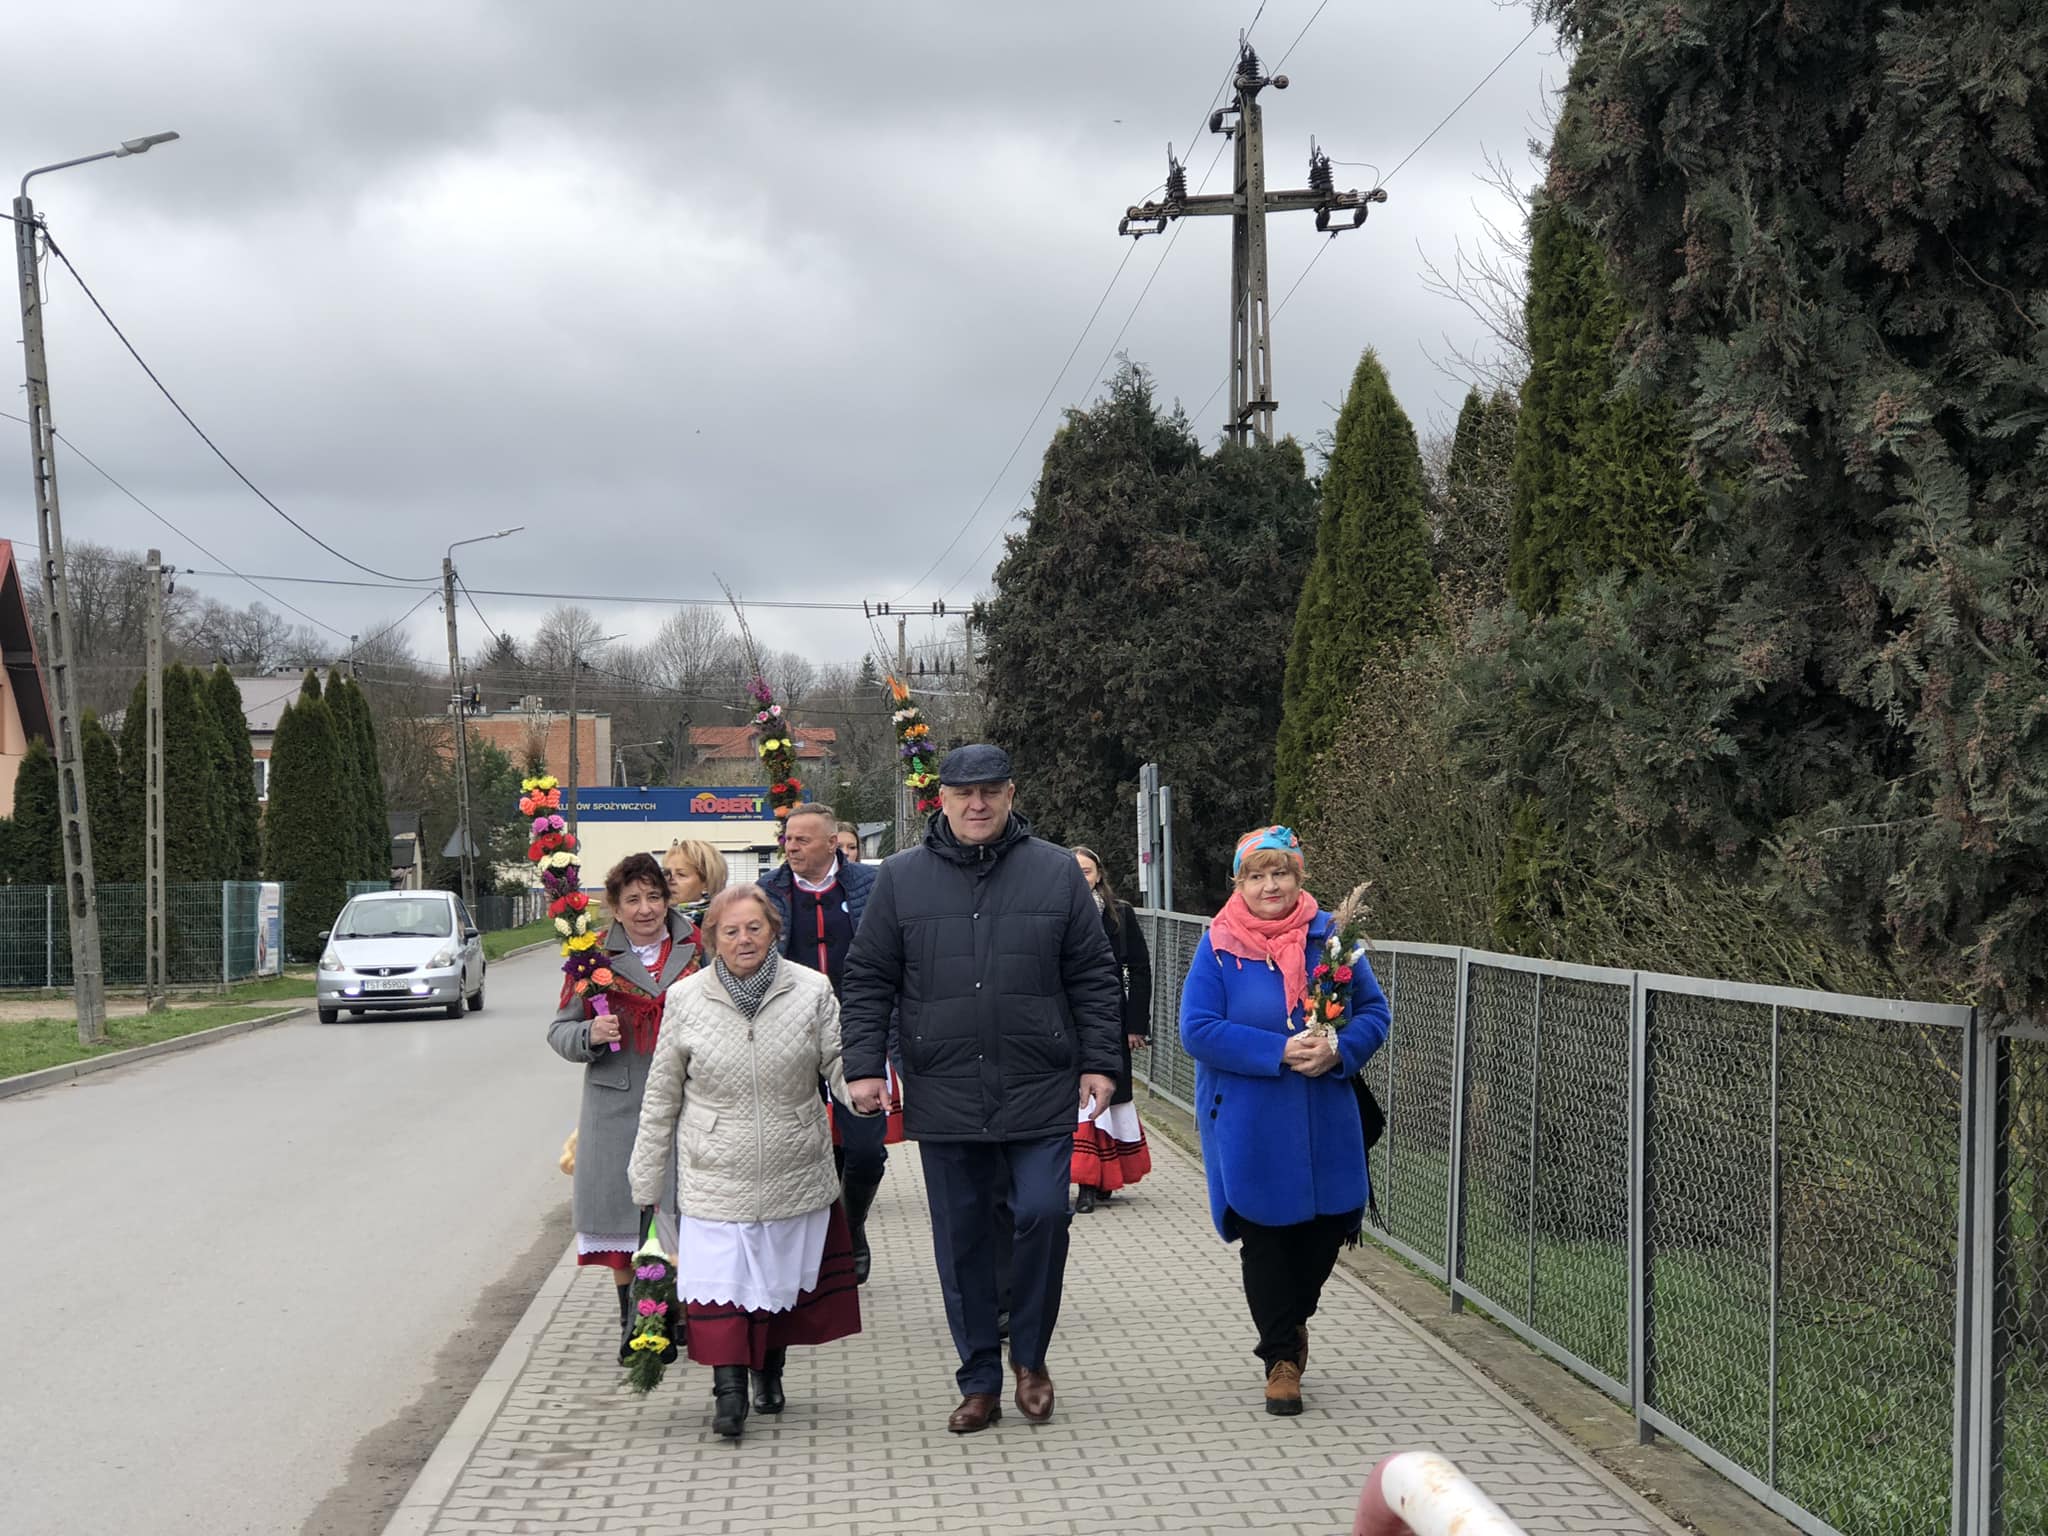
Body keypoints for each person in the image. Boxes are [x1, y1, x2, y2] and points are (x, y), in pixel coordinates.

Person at [841, 744, 1123, 1434]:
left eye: (991, 791)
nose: (977, 804)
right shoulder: (901, 878)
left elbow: (1093, 973)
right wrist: (864, 1066)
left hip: (1039, 1082)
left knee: (1044, 1215)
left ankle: (1030, 1357)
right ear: (940, 798)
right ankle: (979, 1380)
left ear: (1010, 794)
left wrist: (1101, 1062)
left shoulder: (1054, 872)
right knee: (962, 1236)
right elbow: (869, 977)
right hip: (945, 1087)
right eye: (964, 793)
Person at [628, 884, 865, 1439]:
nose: (743, 940)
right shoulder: (686, 999)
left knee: (777, 1280)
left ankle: (769, 1373)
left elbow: (839, 1063)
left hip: (793, 1161)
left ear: (774, 931)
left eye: (754, 928)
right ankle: (728, 1392)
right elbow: (662, 1094)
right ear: (711, 939)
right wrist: (646, 1176)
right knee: (724, 1285)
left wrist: (866, 1093)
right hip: (714, 1167)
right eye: (730, 931)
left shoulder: (812, 989)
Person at [1178, 826, 1390, 1417]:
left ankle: (1292, 1322)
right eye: (1256, 876)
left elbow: (1374, 1012)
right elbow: (1197, 1029)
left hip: (1326, 1116)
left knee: (1325, 1231)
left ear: (1299, 877)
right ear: (1239, 884)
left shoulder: (1333, 939)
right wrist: (1278, 1050)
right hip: (1251, 1121)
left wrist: (1340, 1049)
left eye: (1280, 873)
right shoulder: (1218, 944)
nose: (1269, 886)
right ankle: (1281, 1360)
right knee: (1266, 1239)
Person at [546, 852, 702, 1364]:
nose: (645, 909)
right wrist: (590, 1033)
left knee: (682, 1211)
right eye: (632, 900)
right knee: (623, 1218)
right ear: (614, 907)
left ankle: (679, 1315)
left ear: (668, 900)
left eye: (654, 896)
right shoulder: (591, 959)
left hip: (686, 1102)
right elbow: (559, 1032)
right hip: (618, 1107)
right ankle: (632, 1320)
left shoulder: (697, 948)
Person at [759, 802, 897, 1285]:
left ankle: (851, 1227)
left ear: (832, 843)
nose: (791, 847)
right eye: (787, 838)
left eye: (802, 839)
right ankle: (813, 1248)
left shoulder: (871, 885)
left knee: (866, 1150)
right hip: (790, 1035)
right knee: (799, 1149)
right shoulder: (768, 891)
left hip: (857, 1032)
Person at [1068, 846, 1153, 1211]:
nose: (1080, 878)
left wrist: (1136, 1024)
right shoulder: (1054, 911)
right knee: (1076, 1099)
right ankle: (1083, 1177)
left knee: (1106, 1093)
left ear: (1099, 875)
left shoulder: (1120, 914)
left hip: (1109, 1019)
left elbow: (1140, 968)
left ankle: (1097, 1179)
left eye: (1086, 871)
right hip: (1066, 1019)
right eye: (1073, 872)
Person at [664, 838, 728, 927]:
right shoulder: (656, 923)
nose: (669, 880)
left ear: (707, 882)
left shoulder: (723, 926)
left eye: (681, 874)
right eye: (667, 873)